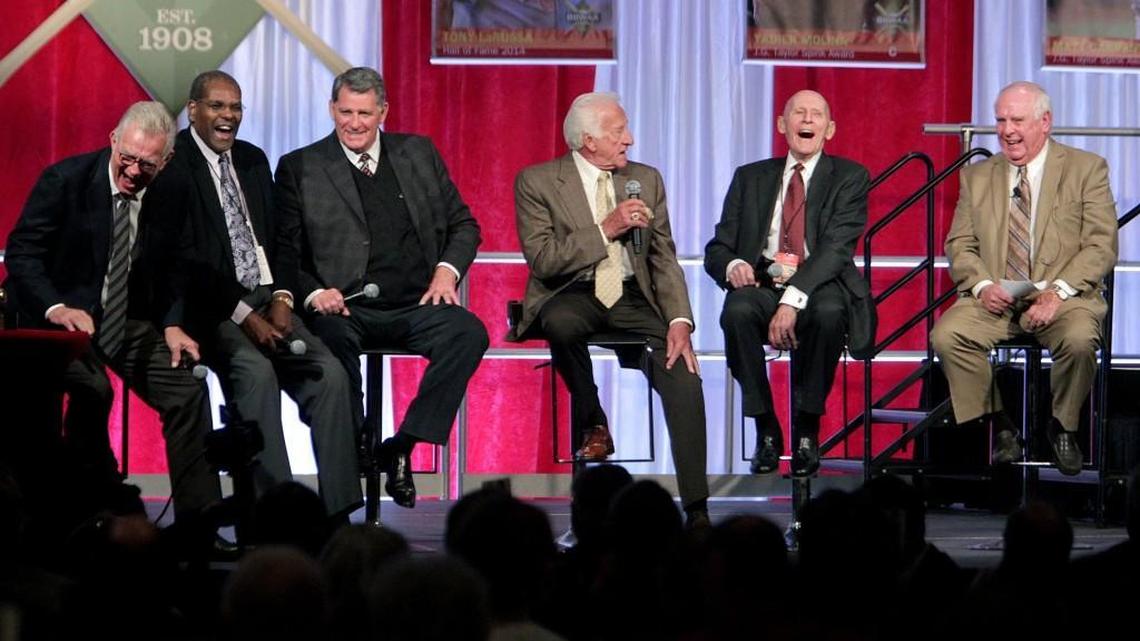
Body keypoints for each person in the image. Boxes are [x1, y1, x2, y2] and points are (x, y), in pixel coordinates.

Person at [152, 71, 361, 523]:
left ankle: (340, 515)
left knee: (329, 376)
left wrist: (284, 297)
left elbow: (283, 239)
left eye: (236, 108)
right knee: (256, 374)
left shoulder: (252, 160)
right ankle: (277, 517)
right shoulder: (175, 166)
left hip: (268, 296)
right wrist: (245, 314)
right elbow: (186, 259)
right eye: (217, 106)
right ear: (192, 110)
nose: (228, 116)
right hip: (213, 309)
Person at [275, 67, 488, 509]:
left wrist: (447, 271)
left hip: (416, 305)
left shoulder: (418, 153)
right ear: (332, 109)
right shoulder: (301, 166)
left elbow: (463, 225)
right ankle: (357, 451)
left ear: (383, 112)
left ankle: (402, 446)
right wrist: (314, 293)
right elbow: (286, 250)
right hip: (345, 309)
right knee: (328, 340)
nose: (354, 123)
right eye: (346, 112)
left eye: (365, 114)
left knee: (468, 332)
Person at [3, 101, 221, 526]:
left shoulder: (171, 190)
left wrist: (174, 324)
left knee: (187, 391)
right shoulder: (65, 180)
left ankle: (199, 524)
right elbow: (23, 254)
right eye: (128, 158)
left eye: (148, 164)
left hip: (126, 319)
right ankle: (90, 511)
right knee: (93, 391)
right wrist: (57, 307)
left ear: (167, 160)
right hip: (57, 324)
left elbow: (176, 264)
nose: (135, 172)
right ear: (113, 141)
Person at [509, 92, 710, 528]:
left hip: (633, 296)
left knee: (685, 375)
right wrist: (607, 228)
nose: (630, 140)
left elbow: (662, 257)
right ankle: (593, 422)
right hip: (571, 291)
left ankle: (697, 508)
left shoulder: (645, 180)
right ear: (588, 140)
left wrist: (680, 320)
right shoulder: (537, 181)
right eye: (618, 132)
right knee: (561, 322)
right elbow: (544, 260)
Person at [931, 80, 1118, 476]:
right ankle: (999, 425)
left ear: (1045, 122)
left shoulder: (1086, 169)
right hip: (997, 297)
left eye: (1017, 119)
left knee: (1081, 339)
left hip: (1065, 297)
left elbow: (1100, 246)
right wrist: (982, 286)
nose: (1006, 130)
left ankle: (1062, 426)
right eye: (1000, 120)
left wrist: (1057, 293)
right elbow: (960, 244)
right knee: (947, 336)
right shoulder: (977, 177)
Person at [704, 89, 873, 478]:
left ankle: (807, 428)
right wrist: (732, 265)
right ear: (783, 125)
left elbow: (835, 250)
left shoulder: (849, 176)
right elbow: (718, 246)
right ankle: (765, 426)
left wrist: (792, 301)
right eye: (799, 113)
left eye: (817, 115)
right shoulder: (750, 177)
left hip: (819, 282)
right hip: (764, 282)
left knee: (830, 313)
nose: (807, 120)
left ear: (829, 129)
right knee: (737, 310)